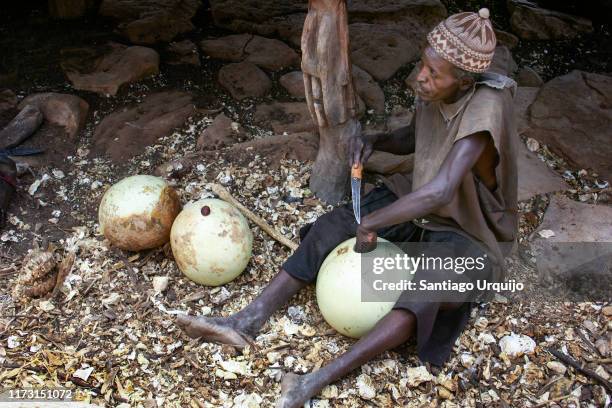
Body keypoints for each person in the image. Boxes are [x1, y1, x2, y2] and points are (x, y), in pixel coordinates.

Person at [176, 8, 518, 408]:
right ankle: (245, 321)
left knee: (423, 293)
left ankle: (312, 382)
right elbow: (417, 135)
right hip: (422, 195)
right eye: (423, 65)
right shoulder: (439, 86)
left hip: (468, 228)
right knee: (332, 226)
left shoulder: (485, 109)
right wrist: (377, 141)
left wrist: (374, 221)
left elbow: (442, 192)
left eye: (433, 73)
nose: (421, 77)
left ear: (463, 81)